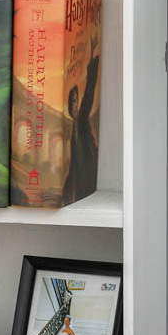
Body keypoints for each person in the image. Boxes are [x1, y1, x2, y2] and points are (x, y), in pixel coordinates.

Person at [63, 33, 100, 206]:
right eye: (72, 101)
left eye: (76, 101)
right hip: (79, 174)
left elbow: (90, 91)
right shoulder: (71, 124)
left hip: (88, 166)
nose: (74, 105)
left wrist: (92, 53)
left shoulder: (83, 115)